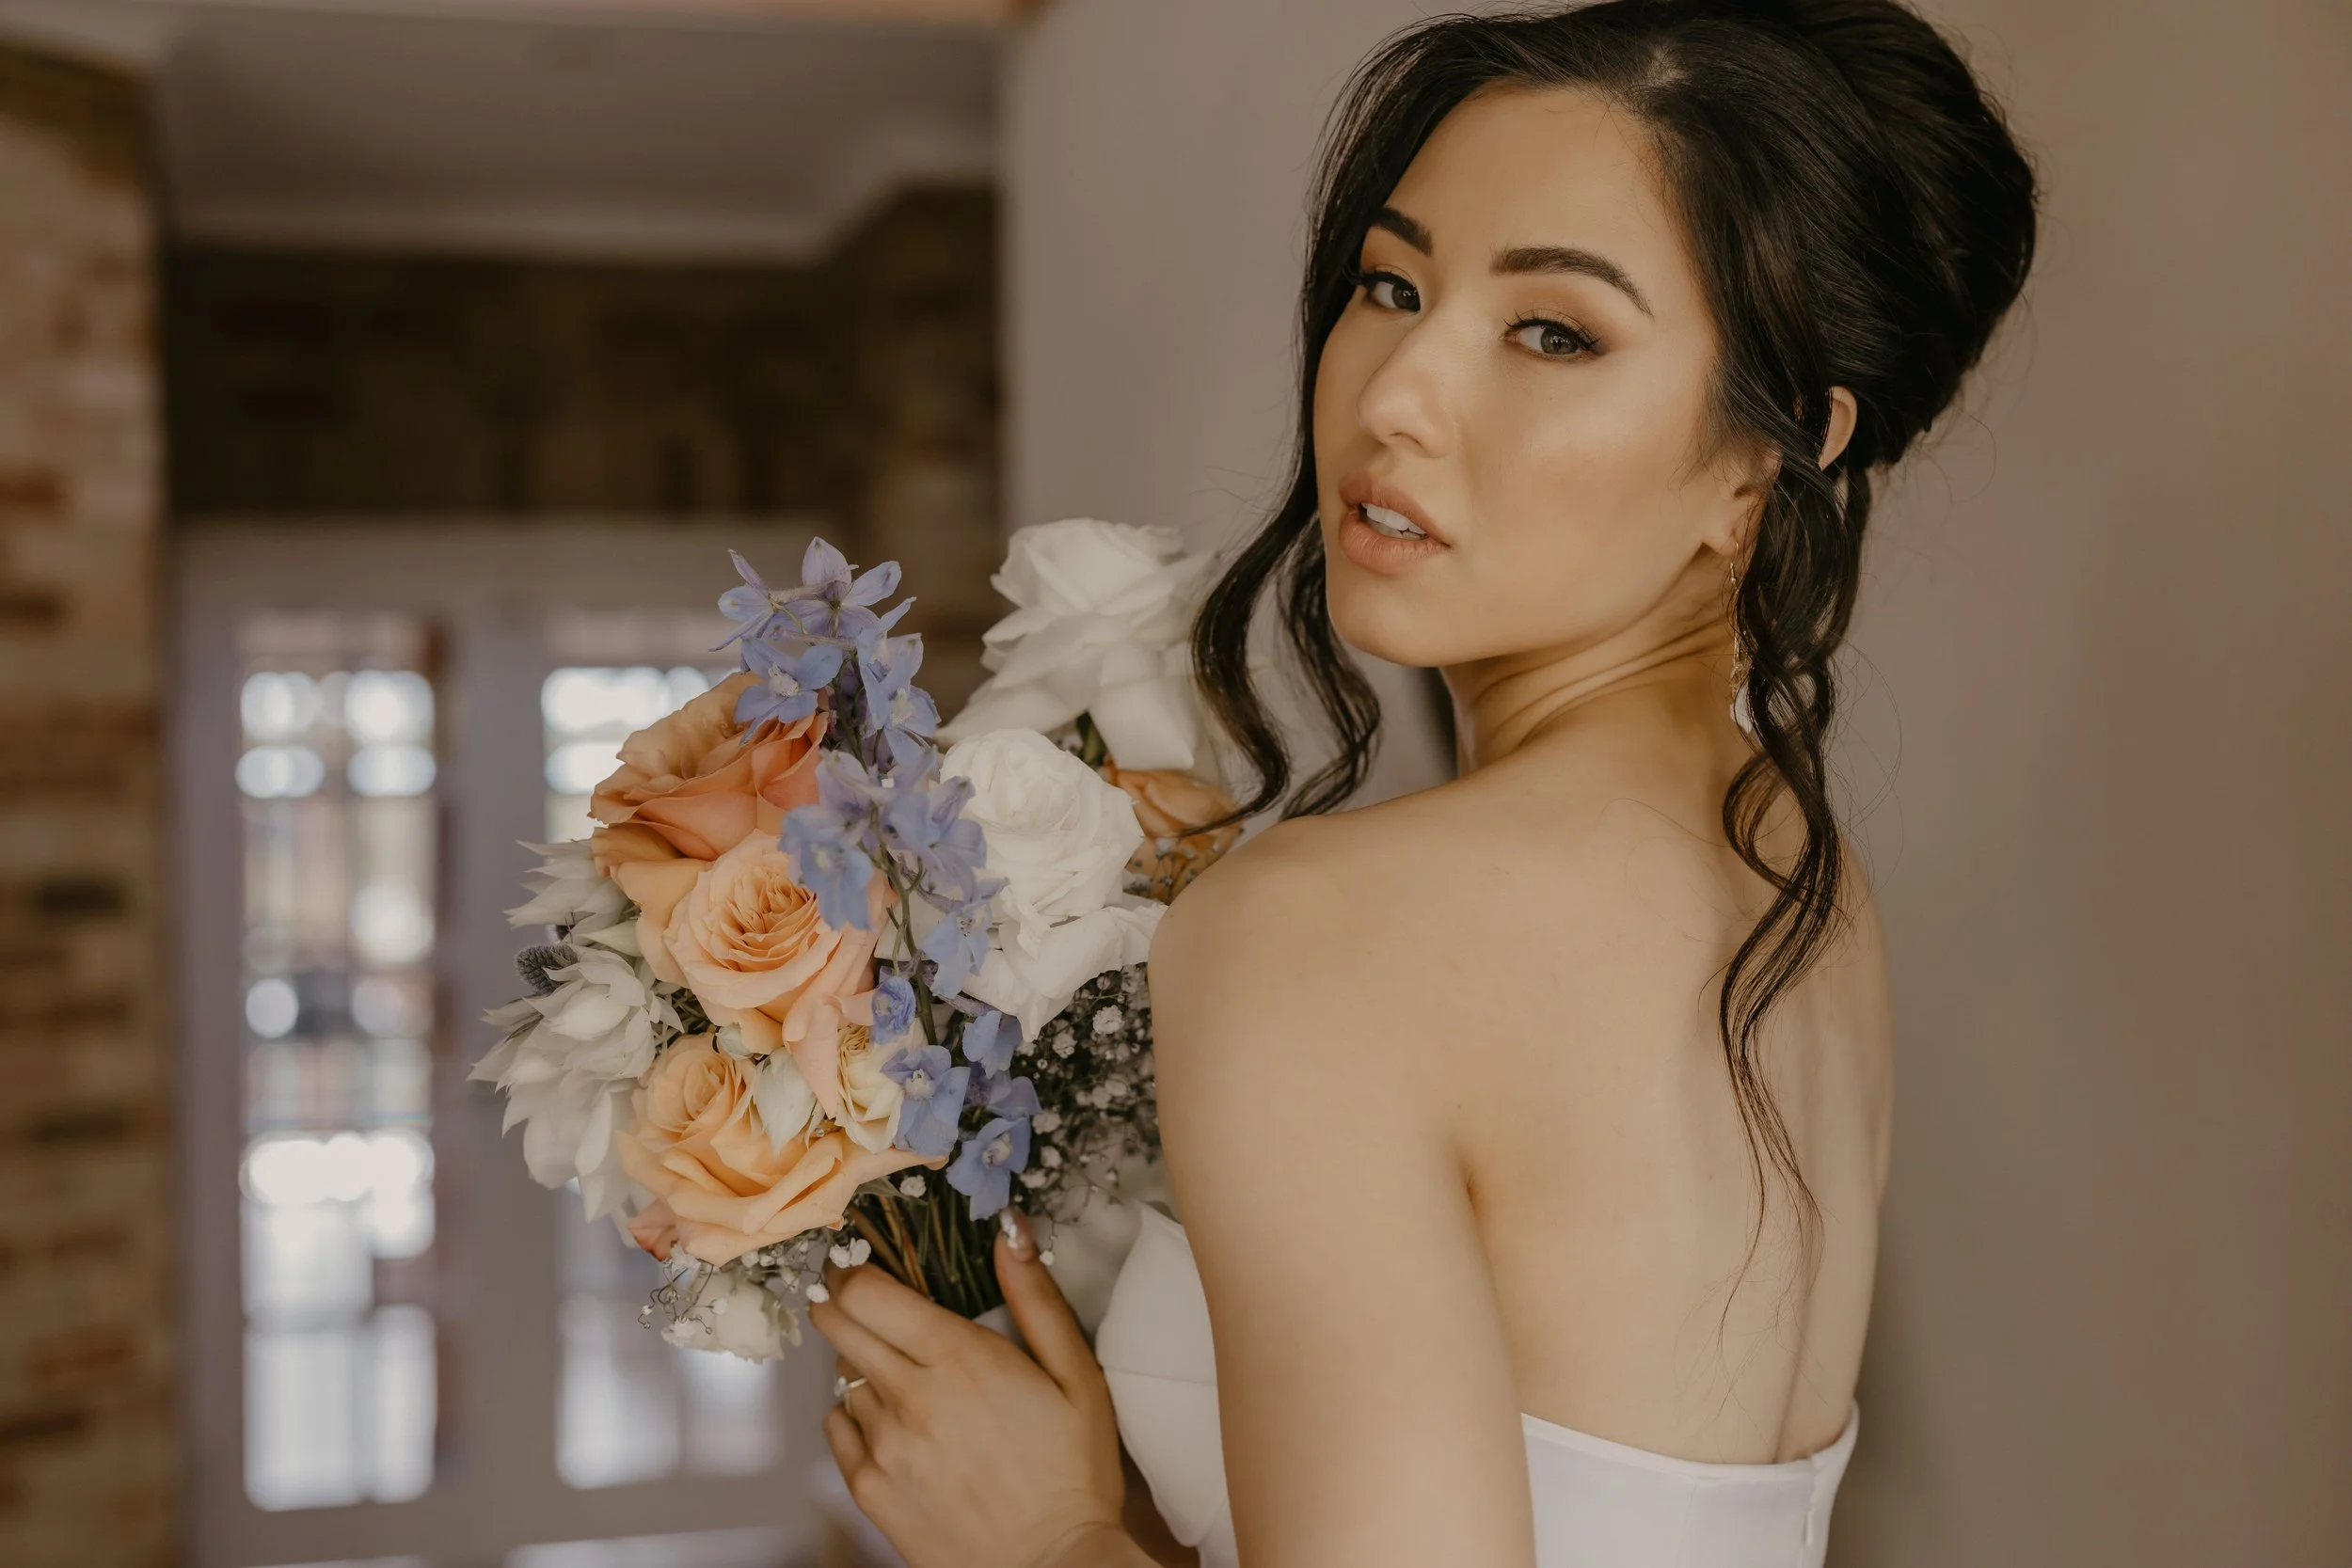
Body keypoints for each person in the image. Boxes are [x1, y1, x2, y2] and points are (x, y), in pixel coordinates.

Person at [807, 3, 2037, 1564]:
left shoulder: (1327, 932)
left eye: (1554, 333)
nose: (1394, 395)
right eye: (1393, 285)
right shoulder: (1795, 867)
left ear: (1770, 457)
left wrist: (1042, 1534)